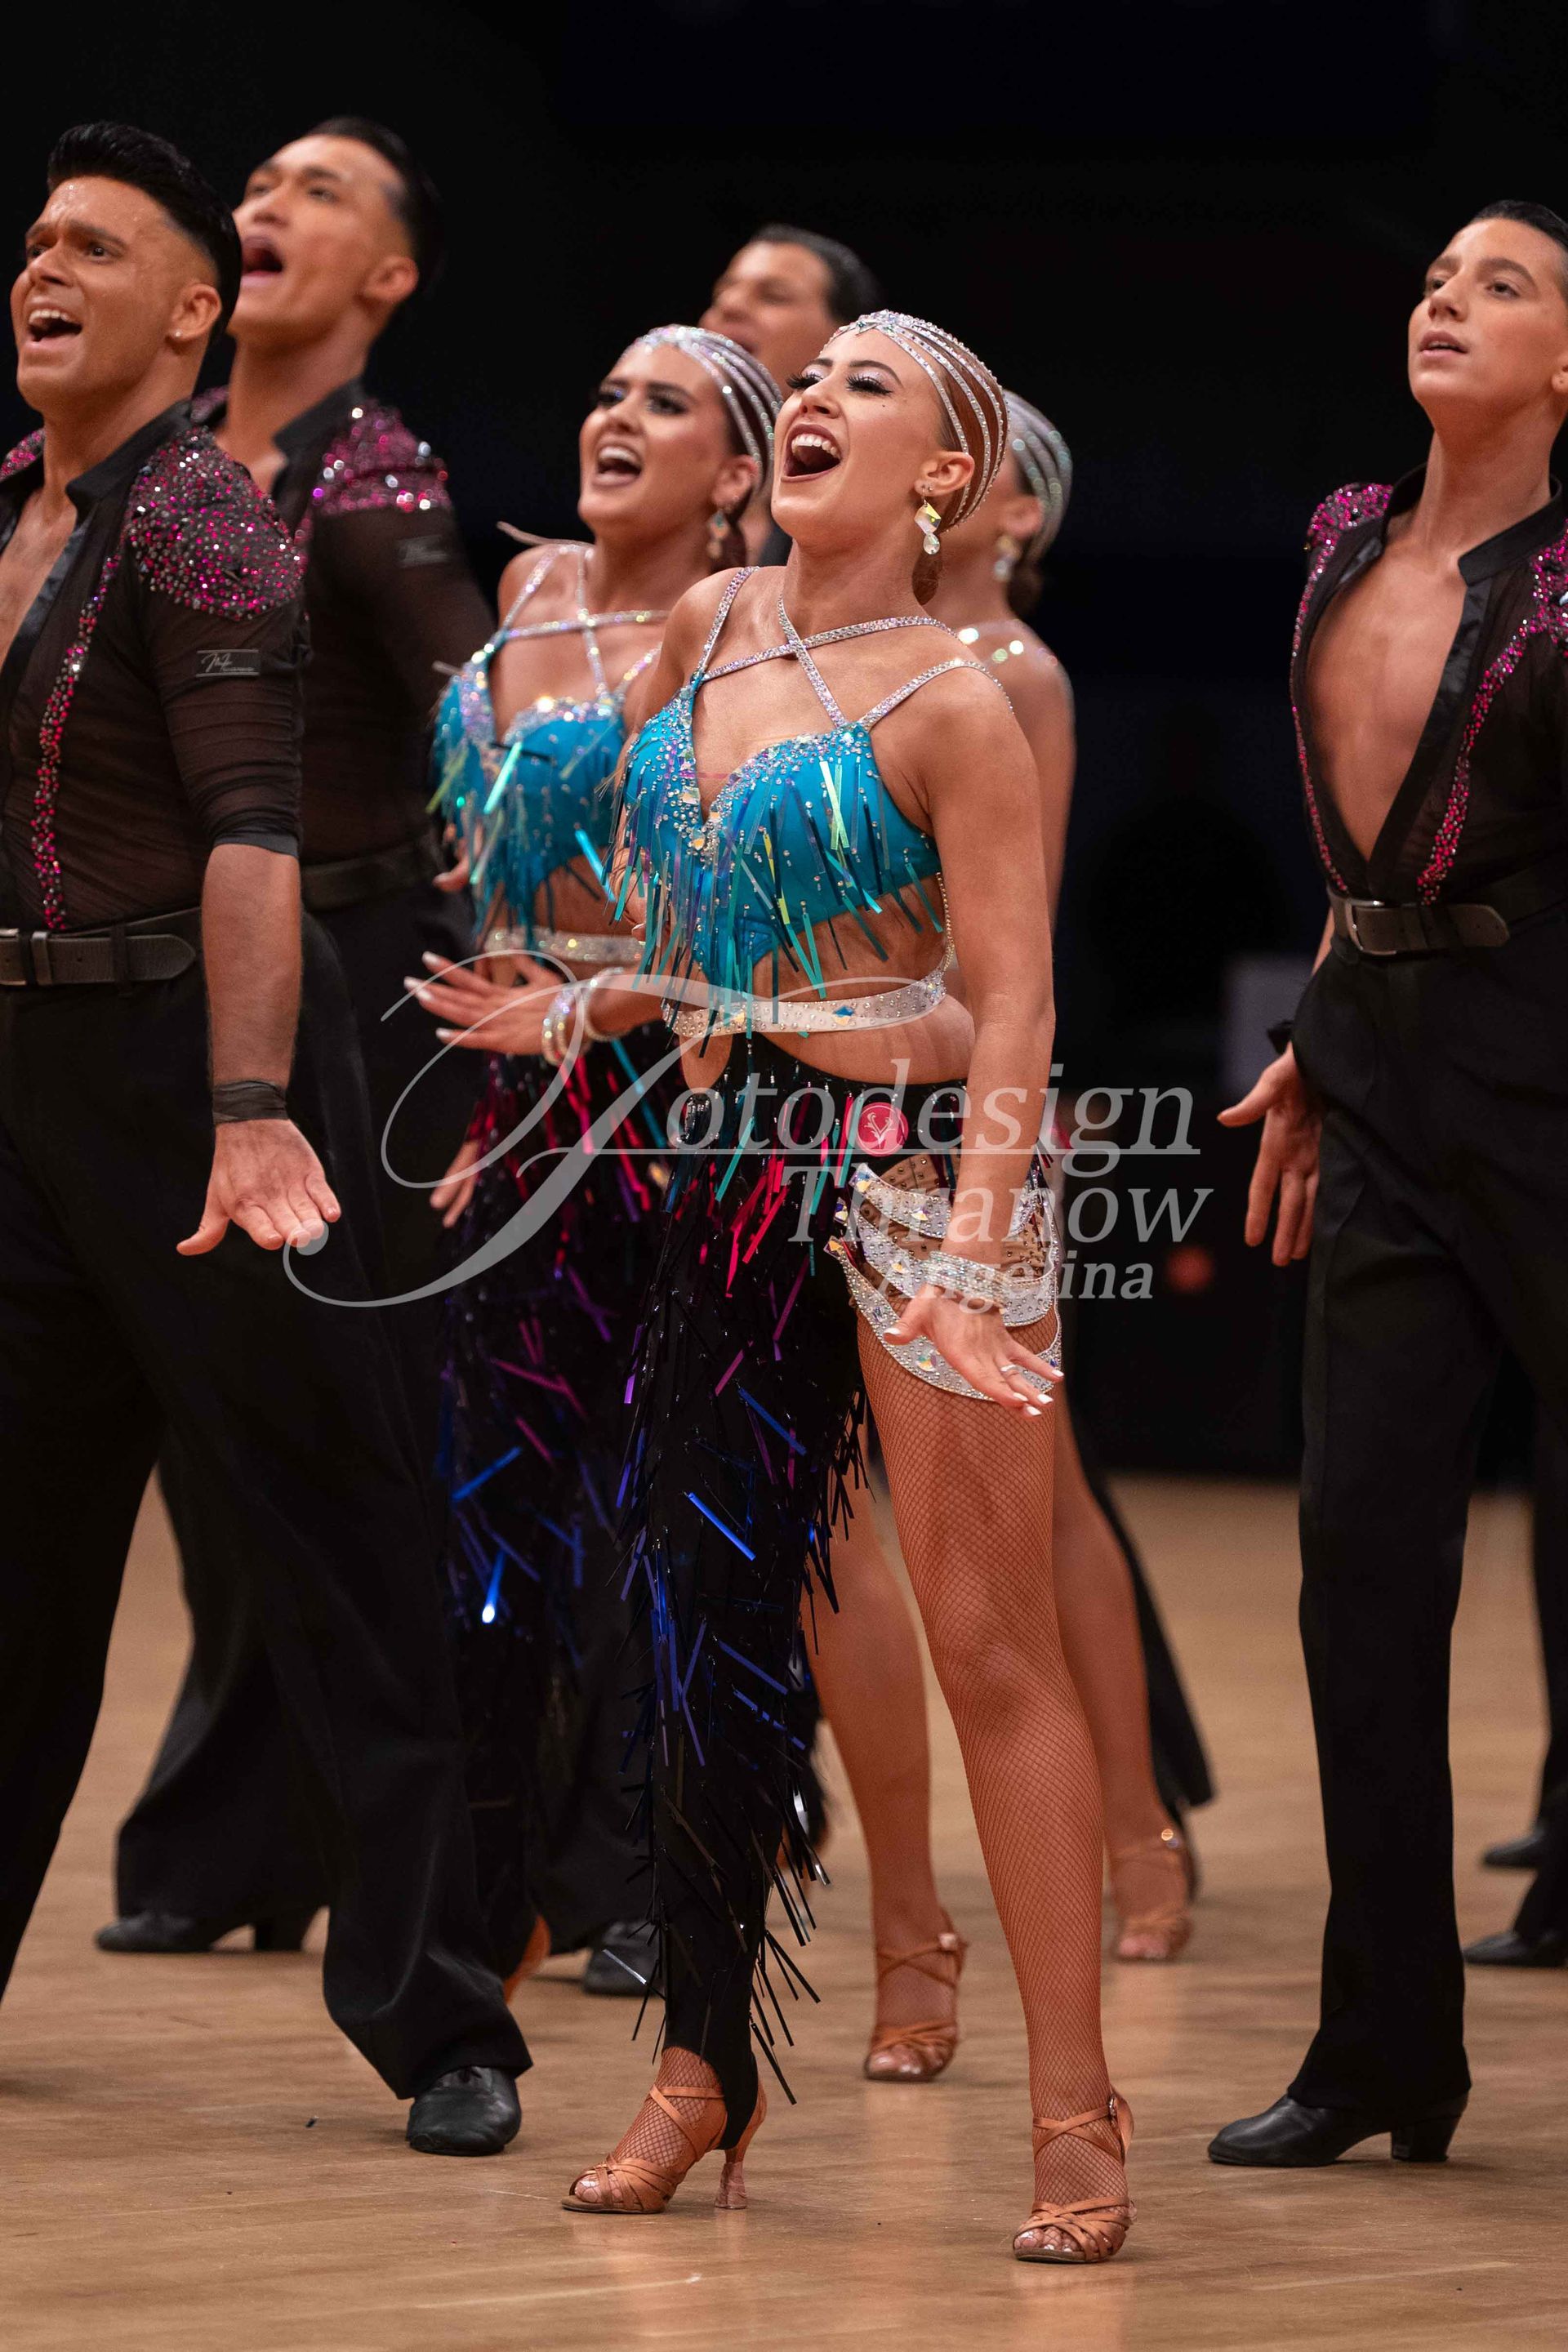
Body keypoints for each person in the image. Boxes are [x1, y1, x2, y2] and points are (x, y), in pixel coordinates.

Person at [563, 311, 1132, 2261]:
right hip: (724, 1166)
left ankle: (1076, 2104)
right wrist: (590, 1002)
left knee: (986, 1639)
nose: (813, 396)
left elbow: (1012, 1009)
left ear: (948, 475)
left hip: (911, 1173)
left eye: (865, 387)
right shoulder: (706, 630)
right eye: (810, 383)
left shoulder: (962, 700)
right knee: (711, 1625)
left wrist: (976, 1247)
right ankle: (698, 2065)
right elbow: (668, 906)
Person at [0, 121, 523, 2154]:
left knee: (340, 1539)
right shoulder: (15, 506)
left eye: (92, 246)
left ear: (189, 311)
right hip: (31, 1084)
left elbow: (252, 831)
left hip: (197, 1074)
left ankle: (441, 2014)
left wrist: (244, 1110)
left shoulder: (205, 511)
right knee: (22, 1565)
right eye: (33, 241)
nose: (43, 268)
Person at [97, 118, 497, 1963]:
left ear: (388, 278)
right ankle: (243, 1832)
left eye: (319, 192)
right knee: (207, 1428)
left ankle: (429, 1848)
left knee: (348, 1429)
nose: (268, 203)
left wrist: (519, 950)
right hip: (189, 980)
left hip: (363, 991)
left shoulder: (373, 474)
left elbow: (488, 718)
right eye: (259, 183)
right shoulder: (166, 460)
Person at [1209, 198, 1568, 2167]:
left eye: (1500, 285)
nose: (1447, 297)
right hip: (1384, 1096)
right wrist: (1320, 1041)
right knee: (1358, 1569)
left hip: (1550, 1087)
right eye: (1436, 276)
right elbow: (1367, 859)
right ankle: (1382, 2052)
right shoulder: (1346, 535)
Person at [411, 323, 777, 1992]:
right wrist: (486, 1103)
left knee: (674, 1508)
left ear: (735, 476)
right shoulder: (530, 586)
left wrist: (596, 1015)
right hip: (525, 1092)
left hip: (672, 1090)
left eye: (665, 404)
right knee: (500, 1511)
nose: (616, 415)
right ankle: (497, 1888)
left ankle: (658, 1873)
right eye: (612, 390)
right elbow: (492, 873)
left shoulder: (740, 628)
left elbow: (719, 889)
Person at [925, 390, 1211, 1957]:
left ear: (1020, 511)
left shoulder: (1014, 671)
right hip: (824, 1101)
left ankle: (1137, 1829)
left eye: (977, 466)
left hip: (969, 1098)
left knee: (1049, 1499)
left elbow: (1010, 947)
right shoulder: (833, 643)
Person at [700, 224, 880, 559]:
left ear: (843, 337)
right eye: (720, 293)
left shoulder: (866, 516)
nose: (729, 306)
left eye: (773, 297)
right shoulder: (647, 482)